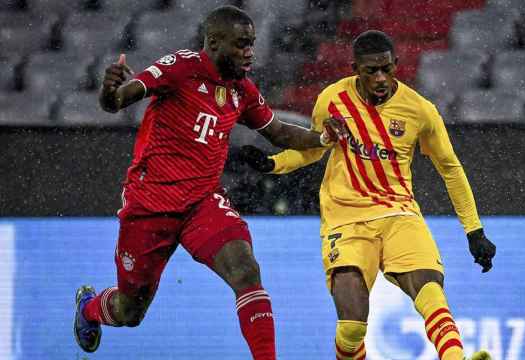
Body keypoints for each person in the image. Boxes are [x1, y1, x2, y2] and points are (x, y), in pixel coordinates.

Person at [73, 5, 342, 359]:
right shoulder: (180, 67)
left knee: (246, 270)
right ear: (214, 42)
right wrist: (110, 91)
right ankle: (89, 308)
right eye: (242, 44)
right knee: (129, 312)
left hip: (202, 203)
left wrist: (322, 139)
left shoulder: (241, 89)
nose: (250, 52)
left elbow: (277, 131)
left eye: (252, 44)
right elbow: (120, 100)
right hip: (150, 206)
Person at [241, 30, 497, 360]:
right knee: (351, 328)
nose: (380, 78)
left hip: (399, 215)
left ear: (396, 65)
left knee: (432, 294)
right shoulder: (332, 99)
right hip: (345, 221)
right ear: (354, 69)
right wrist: (272, 163)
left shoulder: (420, 110)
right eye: (370, 71)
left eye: (387, 69)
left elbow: (451, 168)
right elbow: (313, 150)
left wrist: (474, 231)